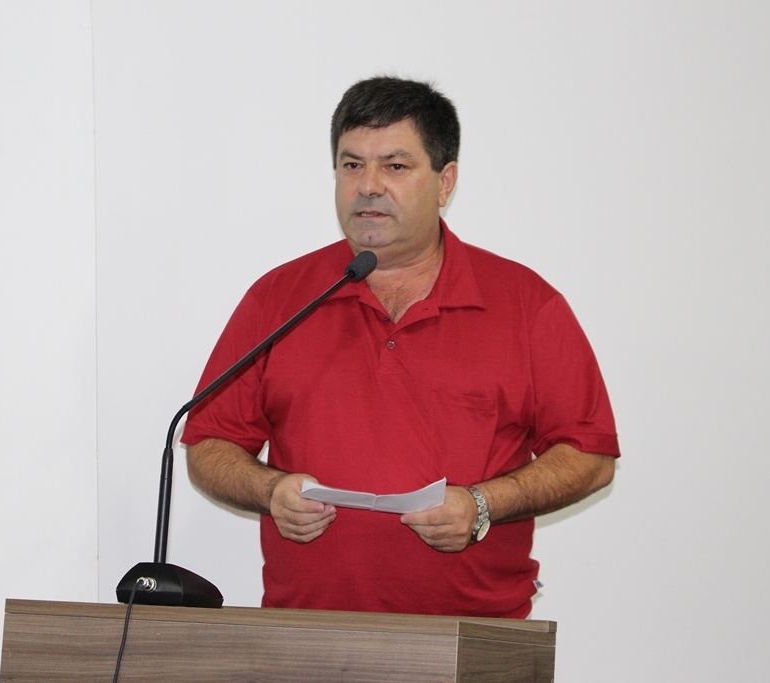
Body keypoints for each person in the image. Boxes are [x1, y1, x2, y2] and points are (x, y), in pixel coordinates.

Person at [182, 76, 619, 619]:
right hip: (305, 635)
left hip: (475, 637)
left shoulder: (525, 303)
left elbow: (591, 455)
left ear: (445, 181)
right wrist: (270, 490)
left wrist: (482, 504)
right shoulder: (280, 298)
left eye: (394, 166)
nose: (368, 186)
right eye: (351, 165)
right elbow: (208, 443)